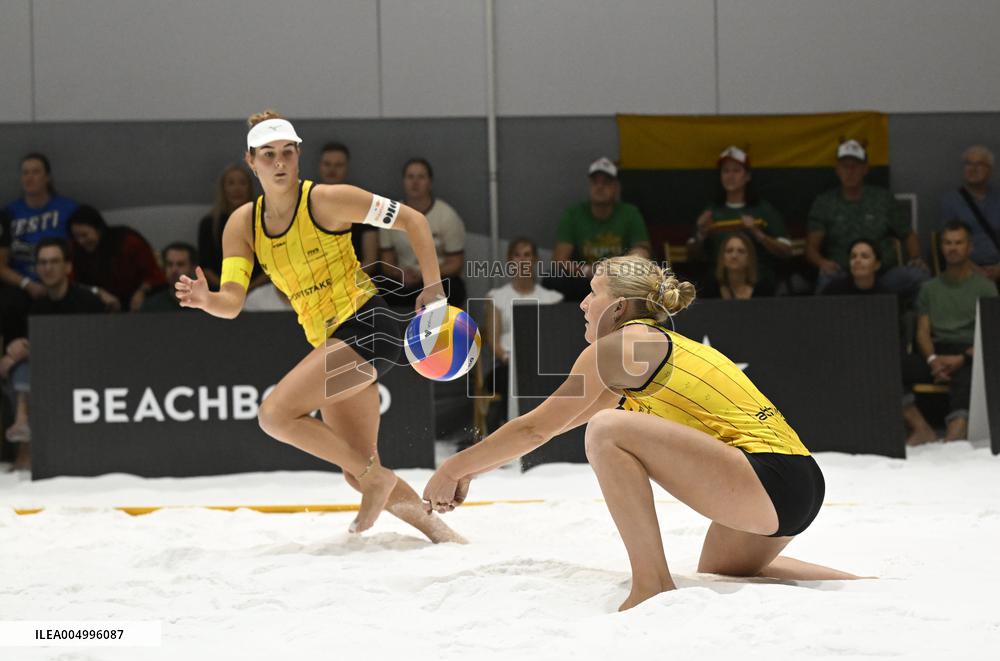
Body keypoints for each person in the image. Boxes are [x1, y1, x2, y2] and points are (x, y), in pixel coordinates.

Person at [424, 254, 859, 611]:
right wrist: (470, 473)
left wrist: (453, 466)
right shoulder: (646, 353)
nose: (582, 304)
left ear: (618, 308)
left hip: (770, 481)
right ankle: (864, 585)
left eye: (593, 294)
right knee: (722, 570)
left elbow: (536, 427)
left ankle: (651, 585)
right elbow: (548, 429)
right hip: (798, 484)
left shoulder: (620, 348)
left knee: (606, 430)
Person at [176, 110, 462, 542]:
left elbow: (414, 221)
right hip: (336, 340)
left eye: (287, 153)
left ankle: (377, 482)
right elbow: (232, 304)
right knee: (357, 470)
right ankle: (446, 537)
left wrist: (433, 287)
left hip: (368, 324)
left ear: (298, 156)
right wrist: (206, 300)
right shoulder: (242, 224)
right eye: (268, 155)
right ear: (250, 161)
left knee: (274, 415)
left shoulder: (326, 200)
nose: (279, 163)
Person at [0, 238, 105, 471]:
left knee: (26, 368)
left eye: (54, 262)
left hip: (88, 373)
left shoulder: (87, 302)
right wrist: (15, 353)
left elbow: (94, 346)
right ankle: (22, 426)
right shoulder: (37, 306)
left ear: (67, 267)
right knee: (18, 369)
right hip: (47, 374)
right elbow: (33, 346)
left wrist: (30, 347)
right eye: (43, 263)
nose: (48, 268)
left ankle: (24, 440)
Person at [903, 221, 998, 444]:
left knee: (970, 373)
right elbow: (923, 332)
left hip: (971, 350)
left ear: (970, 247)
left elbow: (991, 334)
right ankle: (921, 427)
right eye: (947, 242)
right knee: (889, 366)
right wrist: (933, 359)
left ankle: (957, 430)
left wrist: (963, 358)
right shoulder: (929, 288)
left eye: (958, 242)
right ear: (941, 247)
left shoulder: (985, 287)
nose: (952, 248)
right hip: (937, 350)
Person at [806, 140, 928, 294]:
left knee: (919, 276)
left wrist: (915, 258)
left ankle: (915, 318)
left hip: (883, 275)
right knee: (825, 284)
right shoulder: (824, 202)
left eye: (855, 166)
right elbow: (811, 248)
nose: (850, 171)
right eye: (845, 166)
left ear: (865, 169)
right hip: (842, 274)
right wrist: (822, 262)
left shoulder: (883, 198)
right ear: (837, 170)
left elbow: (908, 235)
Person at [481, 238, 563, 434]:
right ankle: (508, 437)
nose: (522, 260)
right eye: (517, 255)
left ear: (535, 260)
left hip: (542, 365)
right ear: (510, 260)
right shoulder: (497, 297)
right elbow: (493, 340)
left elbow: (554, 339)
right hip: (506, 365)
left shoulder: (552, 298)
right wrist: (510, 359)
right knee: (508, 379)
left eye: (527, 255)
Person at [1, 154, 78, 350]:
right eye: (25, 173)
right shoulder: (9, 213)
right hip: (21, 286)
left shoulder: (67, 209)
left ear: (47, 178)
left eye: (35, 172)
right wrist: (27, 285)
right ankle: (14, 363)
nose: (29, 177)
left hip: (60, 282)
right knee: (11, 303)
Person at [547, 157, 651, 301]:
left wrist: (616, 270)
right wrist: (587, 270)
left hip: (620, 279)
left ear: (616, 187)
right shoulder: (574, 214)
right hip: (585, 280)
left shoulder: (630, 213)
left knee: (645, 276)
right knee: (552, 279)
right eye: (595, 182)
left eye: (606, 182)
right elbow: (559, 260)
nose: (600, 187)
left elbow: (642, 252)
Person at [688, 146, 791, 291]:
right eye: (726, 171)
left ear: (747, 176)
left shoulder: (763, 210)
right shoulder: (711, 211)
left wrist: (758, 234)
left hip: (760, 286)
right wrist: (701, 234)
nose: (730, 176)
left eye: (736, 170)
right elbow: (691, 255)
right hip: (718, 286)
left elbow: (786, 250)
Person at [379, 158, 467, 307]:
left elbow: (456, 263)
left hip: (437, 279)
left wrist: (424, 274)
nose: (415, 182)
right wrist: (400, 274)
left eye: (421, 177)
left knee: (454, 288)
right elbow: (386, 262)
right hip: (403, 280)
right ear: (404, 181)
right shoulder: (390, 214)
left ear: (430, 182)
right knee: (378, 289)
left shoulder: (446, 215)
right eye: (410, 177)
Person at [67, 205, 166, 311]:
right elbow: (73, 284)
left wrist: (142, 292)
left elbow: (154, 275)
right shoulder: (75, 248)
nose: (81, 241)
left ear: (99, 230)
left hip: (137, 303)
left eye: (85, 235)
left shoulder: (128, 242)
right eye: (76, 236)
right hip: (99, 306)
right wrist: (97, 292)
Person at [198, 164, 268, 291]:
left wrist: (249, 289)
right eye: (231, 183)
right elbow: (205, 267)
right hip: (220, 290)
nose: (237, 189)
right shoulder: (209, 224)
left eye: (242, 183)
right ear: (223, 189)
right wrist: (228, 290)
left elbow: (272, 265)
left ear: (250, 188)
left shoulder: (265, 221)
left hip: (259, 291)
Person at [939, 145, 1000, 282]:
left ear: (990, 170)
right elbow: (948, 243)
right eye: (968, 164)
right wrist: (975, 270)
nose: (972, 169)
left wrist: (998, 269)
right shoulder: (950, 201)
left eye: (979, 164)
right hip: (964, 269)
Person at [318, 142, 379, 276]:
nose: (332, 170)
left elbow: (370, 259)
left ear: (347, 168)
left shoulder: (364, 204)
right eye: (327, 164)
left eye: (338, 165)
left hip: (353, 282)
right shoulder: (305, 204)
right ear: (320, 166)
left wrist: (344, 280)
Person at [699, 233, 774, 299]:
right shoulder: (709, 290)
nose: (734, 256)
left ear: (749, 258)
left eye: (741, 251)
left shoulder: (763, 291)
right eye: (729, 251)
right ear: (722, 257)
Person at [141, 243, 198, 312]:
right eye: (169, 264)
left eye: (180, 264)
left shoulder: (206, 304)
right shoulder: (152, 306)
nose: (174, 270)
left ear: (193, 268)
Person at [821, 239, 888, 296]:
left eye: (865, 256)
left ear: (877, 264)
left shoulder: (885, 294)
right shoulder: (833, 290)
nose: (857, 260)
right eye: (853, 257)